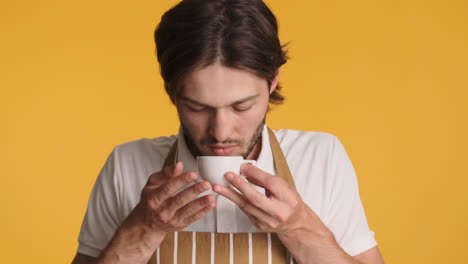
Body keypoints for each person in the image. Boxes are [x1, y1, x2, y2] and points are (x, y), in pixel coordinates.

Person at [72, 0, 384, 263]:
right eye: (198, 107)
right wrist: (143, 228)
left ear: (272, 81)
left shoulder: (319, 157)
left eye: (242, 106)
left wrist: (298, 227)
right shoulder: (127, 163)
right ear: (172, 91)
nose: (220, 132)